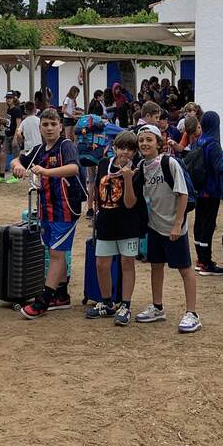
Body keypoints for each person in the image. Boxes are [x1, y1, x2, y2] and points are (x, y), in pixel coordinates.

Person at [10, 109, 85, 319]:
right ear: (40, 127)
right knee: (54, 250)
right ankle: (61, 295)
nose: (50, 128)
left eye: (53, 124)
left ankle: (43, 300)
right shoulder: (39, 150)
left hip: (66, 208)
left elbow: (73, 168)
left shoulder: (66, 145)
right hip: (46, 209)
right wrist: (17, 167)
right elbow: (17, 160)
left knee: (56, 253)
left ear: (61, 126)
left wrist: (45, 172)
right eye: (45, 124)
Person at [132, 124, 201, 333]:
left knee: (184, 268)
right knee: (156, 265)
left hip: (174, 225)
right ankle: (157, 306)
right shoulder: (141, 167)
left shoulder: (169, 163)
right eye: (141, 140)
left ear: (158, 142)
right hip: (154, 225)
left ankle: (192, 313)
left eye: (149, 139)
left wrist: (178, 223)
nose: (145, 143)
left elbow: (183, 194)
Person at [86, 130, 142, 325]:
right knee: (101, 264)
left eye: (130, 149)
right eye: (121, 148)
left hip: (128, 224)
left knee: (127, 264)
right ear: (115, 148)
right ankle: (107, 302)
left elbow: (130, 203)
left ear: (135, 152)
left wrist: (128, 179)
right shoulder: (104, 164)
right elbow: (97, 190)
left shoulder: (136, 170)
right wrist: (93, 210)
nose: (125, 152)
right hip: (105, 223)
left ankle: (125, 304)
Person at [192, 110, 223, 275]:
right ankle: (206, 263)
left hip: (199, 189)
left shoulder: (198, 141)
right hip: (211, 191)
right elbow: (220, 169)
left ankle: (200, 260)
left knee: (199, 224)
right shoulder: (214, 145)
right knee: (208, 226)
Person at [0, 91, 23, 182]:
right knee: (2, 154)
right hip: (7, 134)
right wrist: (1, 120)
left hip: (13, 135)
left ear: (14, 99)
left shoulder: (17, 110)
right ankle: (1, 176)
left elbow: (18, 124)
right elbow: (9, 122)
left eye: (10, 98)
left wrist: (16, 137)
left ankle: (15, 176)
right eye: (7, 98)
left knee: (15, 157)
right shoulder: (9, 109)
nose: (8, 100)